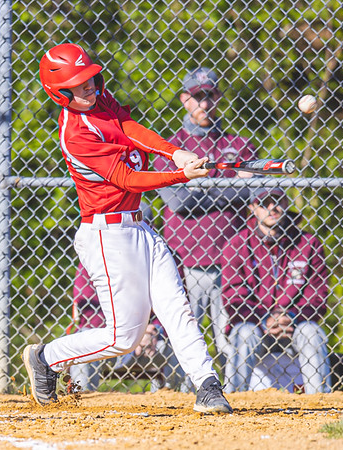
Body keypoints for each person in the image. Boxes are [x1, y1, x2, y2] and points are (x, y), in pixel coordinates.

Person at [22, 43, 232, 414]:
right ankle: (46, 357)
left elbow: (127, 127)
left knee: (177, 307)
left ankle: (207, 386)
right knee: (124, 337)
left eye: (90, 78)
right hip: (107, 236)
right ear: (60, 91)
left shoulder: (99, 100)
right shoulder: (75, 133)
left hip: (141, 228)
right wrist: (180, 173)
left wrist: (173, 151)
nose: (89, 87)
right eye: (79, 83)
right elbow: (126, 178)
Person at [152, 67, 257, 363]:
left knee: (231, 343)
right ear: (185, 99)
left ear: (219, 97)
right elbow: (179, 201)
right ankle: (175, 401)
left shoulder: (238, 145)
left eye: (210, 96)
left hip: (232, 262)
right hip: (184, 261)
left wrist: (202, 189)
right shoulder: (171, 148)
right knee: (182, 341)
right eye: (198, 97)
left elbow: (252, 192)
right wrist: (229, 186)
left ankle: (240, 398)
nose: (205, 104)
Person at [220, 186, 332, 394]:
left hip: (295, 323)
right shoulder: (237, 244)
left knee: (313, 332)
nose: (272, 208)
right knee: (244, 333)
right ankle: (233, 397)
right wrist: (264, 319)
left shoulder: (308, 243)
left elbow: (317, 295)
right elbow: (233, 296)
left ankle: (320, 402)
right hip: (255, 323)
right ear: (253, 208)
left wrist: (291, 316)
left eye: (278, 202)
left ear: (286, 205)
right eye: (264, 203)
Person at [68, 262, 187, 392]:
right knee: (84, 342)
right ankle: (82, 398)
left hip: (148, 339)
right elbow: (90, 314)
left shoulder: (152, 254)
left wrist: (154, 328)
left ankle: (176, 398)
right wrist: (133, 329)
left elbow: (171, 303)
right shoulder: (91, 258)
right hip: (107, 338)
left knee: (180, 342)